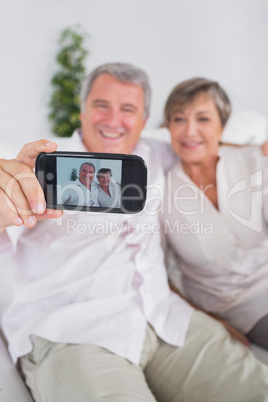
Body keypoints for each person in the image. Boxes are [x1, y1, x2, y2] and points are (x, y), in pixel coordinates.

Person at [0, 64, 267, 402]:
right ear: (82, 113)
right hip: (73, 331)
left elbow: (203, 141)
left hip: (165, 317)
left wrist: (254, 149)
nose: (113, 120)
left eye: (127, 110)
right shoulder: (39, 165)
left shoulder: (157, 154)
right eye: (101, 106)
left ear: (144, 121)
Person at [162, 77, 268, 351]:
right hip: (238, 307)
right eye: (179, 119)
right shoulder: (160, 190)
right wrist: (209, 322)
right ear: (168, 127)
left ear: (222, 126)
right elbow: (157, 274)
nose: (189, 131)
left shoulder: (254, 162)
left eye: (203, 119)